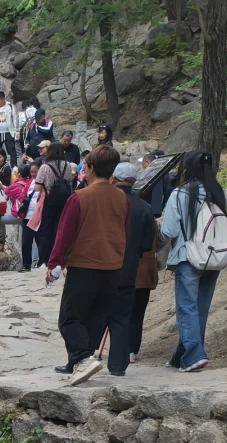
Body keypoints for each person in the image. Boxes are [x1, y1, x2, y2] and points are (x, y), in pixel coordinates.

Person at [45, 143, 128, 384]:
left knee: (70, 317)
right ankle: (79, 361)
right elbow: (125, 230)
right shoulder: (121, 197)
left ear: (89, 167)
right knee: (96, 317)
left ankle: (82, 358)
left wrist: (54, 263)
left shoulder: (80, 197)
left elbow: (64, 233)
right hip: (113, 266)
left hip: (85, 265)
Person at [159, 150, 227, 373]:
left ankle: (194, 356)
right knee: (200, 306)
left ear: (186, 170)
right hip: (213, 256)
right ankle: (181, 355)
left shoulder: (180, 194)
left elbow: (169, 230)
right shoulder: (219, 192)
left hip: (187, 257)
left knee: (186, 307)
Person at [106, 161, 158, 375]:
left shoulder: (108, 204)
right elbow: (148, 242)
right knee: (135, 312)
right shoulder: (144, 207)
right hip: (138, 267)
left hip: (109, 266)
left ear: (114, 179)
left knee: (108, 311)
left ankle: (97, 352)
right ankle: (130, 352)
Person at [32, 142, 78, 275]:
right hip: (64, 201)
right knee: (61, 230)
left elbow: (37, 187)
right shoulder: (68, 165)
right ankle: (59, 259)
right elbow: (69, 179)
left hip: (50, 201)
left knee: (46, 231)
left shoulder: (45, 167)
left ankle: (44, 261)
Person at [15, 162, 38, 270]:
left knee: (40, 240)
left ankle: (42, 262)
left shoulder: (44, 183)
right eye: (32, 172)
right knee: (26, 241)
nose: (33, 174)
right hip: (28, 215)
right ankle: (26, 264)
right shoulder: (28, 183)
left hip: (38, 215)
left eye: (35, 172)